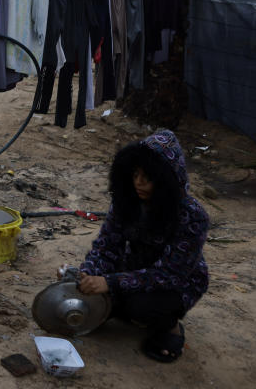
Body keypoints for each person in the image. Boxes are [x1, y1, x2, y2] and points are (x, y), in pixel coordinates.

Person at [74, 129, 209, 362]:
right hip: (131, 269)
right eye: (135, 174)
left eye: (148, 177)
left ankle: (171, 327)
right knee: (88, 295)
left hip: (176, 284)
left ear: (167, 179)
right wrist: (89, 273)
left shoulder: (192, 216)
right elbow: (107, 247)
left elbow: (170, 274)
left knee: (140, 307)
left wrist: (110, 282)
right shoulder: (126, 201)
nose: (139, 183)